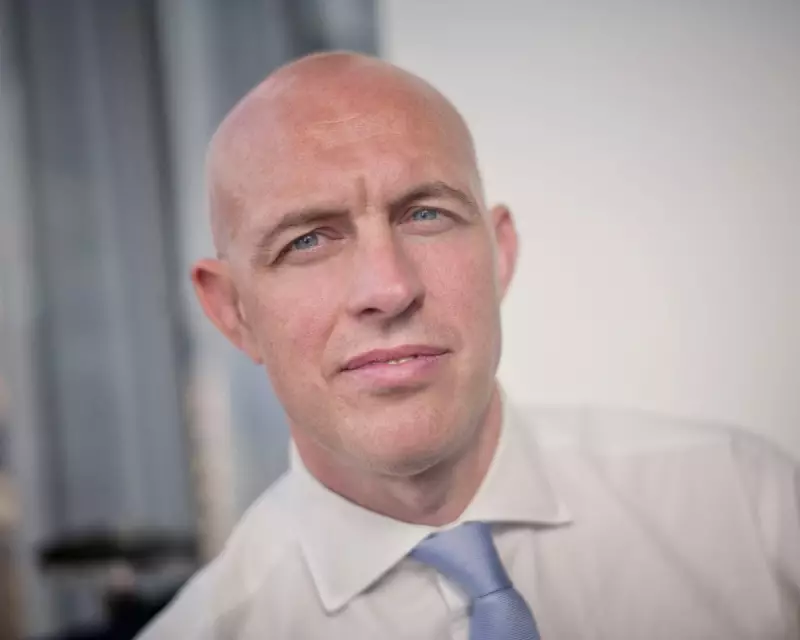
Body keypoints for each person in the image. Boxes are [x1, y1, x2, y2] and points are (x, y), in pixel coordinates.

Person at [137, 52, 800, 640]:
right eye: (307, 240)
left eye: (426, 214)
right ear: (233, 312)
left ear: (500, 253)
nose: (390, 288)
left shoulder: (746, 506)